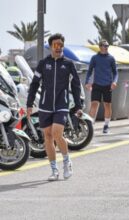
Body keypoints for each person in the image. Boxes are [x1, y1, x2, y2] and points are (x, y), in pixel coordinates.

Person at [27, 33, 83, 181]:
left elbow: (76, 85)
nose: (58, 48)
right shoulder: (43, 63)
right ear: (51, 46)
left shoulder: (69, 64)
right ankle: (54, 170)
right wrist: (29, 103)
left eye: (61, 45)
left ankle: (66, 162)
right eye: (56, 45)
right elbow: (34, 84)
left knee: (57, 133)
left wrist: (78, 106)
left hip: (61, 105)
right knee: (48, 137)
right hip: (45, 106)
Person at [85, 40, 118, 133]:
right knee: (94, 104)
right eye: (104, 46)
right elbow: (89, 71)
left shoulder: (111, 58)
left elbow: (116, 73)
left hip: (108, 85)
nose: (106, 47)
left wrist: (114, 82)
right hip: (97, 85)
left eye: (107, 45)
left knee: (107, 105)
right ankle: (90, 126)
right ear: (100, 47)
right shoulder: (94, 58)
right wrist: (87, 82)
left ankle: (106, 125)